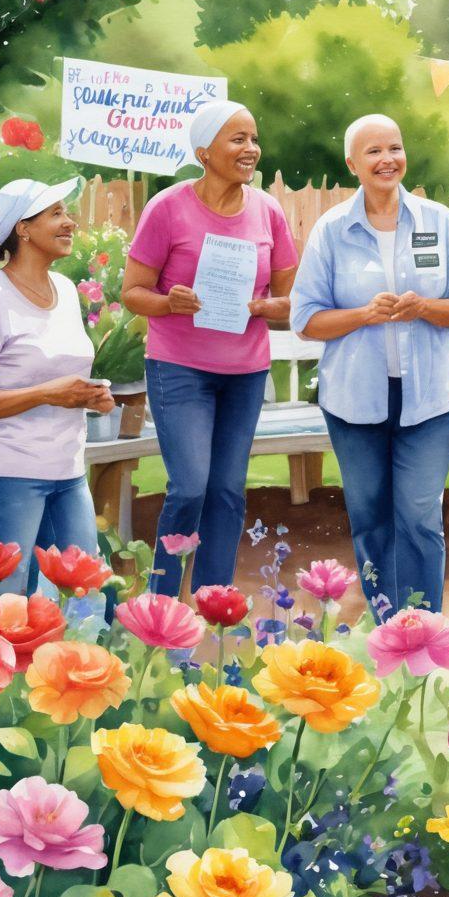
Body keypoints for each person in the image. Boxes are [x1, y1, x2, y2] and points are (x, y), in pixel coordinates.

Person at [291, 114, 449, 616]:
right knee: (371, 517)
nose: (387, 159)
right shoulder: (332, 230)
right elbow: (304, 319)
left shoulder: (437, 220)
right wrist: (362, 315)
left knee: (419, 514)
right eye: (373, 151)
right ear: (352, 164)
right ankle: (387, 624)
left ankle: (423, 625)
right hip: (355, 398)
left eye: (394, 148)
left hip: (431, 396)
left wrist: (425, 308)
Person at [122, 100, 298, 597]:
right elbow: (132, 292)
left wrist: (270, 307)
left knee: (226, 489)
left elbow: (291, 299)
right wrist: (168, 302)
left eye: (254, 138)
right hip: (180, 368)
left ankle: (213, 600)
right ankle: (161, 601)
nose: (251, 149)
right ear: (203, 151)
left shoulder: (268, 211)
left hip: (245, 372)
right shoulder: (167, 208)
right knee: (190, 486)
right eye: (237, 139)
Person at [0, 177, 114, 594]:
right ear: (23, 228)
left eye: (67, 212)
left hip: (67, 472)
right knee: (10, 605)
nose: (70, 222)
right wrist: (47, 394)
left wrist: (91, 397)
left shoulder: (66, 291)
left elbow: (59, 375)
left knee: (86, 597)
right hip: (5, 475)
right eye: (56, 213)